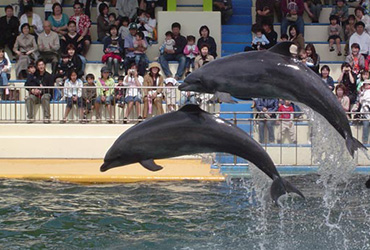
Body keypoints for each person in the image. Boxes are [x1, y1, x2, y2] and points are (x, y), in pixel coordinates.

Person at [25, 59, 54, 123]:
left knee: (45, 97)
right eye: (39, 65)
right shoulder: (34, 75)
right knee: (29, 98)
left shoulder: (49, 76)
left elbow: (51, 88)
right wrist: (32, 90)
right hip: (36, 95)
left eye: (42, 65)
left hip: (46, 94)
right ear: (37, 66)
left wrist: (41, 91)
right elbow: (26, 84)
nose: (41, 66)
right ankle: (30, 118)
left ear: (45, 66)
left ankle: (47, 117)